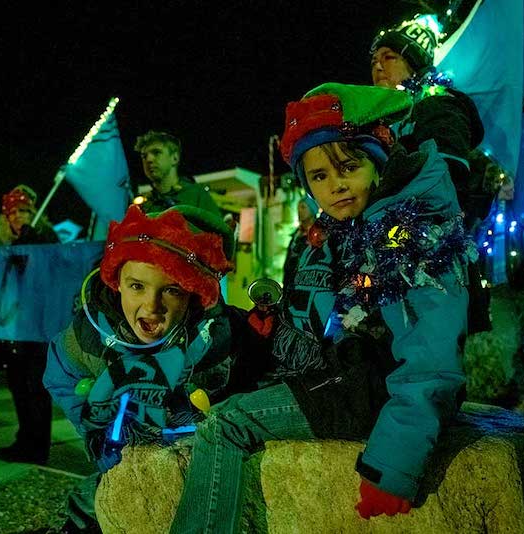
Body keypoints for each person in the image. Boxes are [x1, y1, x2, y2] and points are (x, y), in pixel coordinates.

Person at [170, 83, 474, 533]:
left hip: (371, 391)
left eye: (349, 166)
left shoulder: (406, 232)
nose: (336, 185)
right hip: (339, 376)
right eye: (319, 177)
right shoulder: (343, 229)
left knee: (226, 425)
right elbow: (331, 317)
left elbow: (432, 351)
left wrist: (394, 465)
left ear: (379, 160)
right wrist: (271, 329)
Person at [44, 203, 267, 532]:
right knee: (93, 504)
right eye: (137, 286)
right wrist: (96, 434)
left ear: (193, 294)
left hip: (194, 462)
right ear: (116, 280)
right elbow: (63, 378)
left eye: (171, 290)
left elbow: (258, 383)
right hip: (124, 455)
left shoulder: (226, 336)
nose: (151, 307)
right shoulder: (86, 336)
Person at [369, 14, 492, 334]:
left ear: (414, 65)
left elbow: (445, 182)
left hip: (431, 258)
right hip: (387, 253)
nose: (378, 66)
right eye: (374, 61)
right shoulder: (381, 123)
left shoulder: (437, 105)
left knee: (436, 347)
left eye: (389, 57)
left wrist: (397, 236)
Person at [0, 185, 58, 465]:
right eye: (14, 211)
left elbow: (51, 273)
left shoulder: (47, 237)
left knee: (36, 386)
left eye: (25, 210)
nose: (20, 216)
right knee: (16, 384)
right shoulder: (0, 244)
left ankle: (38, 447)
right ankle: (24, 438)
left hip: (37, 326)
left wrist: (32, 241)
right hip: (9, 326)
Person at [133, 131, 221, 216]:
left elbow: (216, 229)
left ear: (175, 158)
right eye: (144, 156)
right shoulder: (144, 206)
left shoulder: (196, 195)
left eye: (156, 152)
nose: (149, 160)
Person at [281, 197, 314, 289]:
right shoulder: (296, 234)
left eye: (303, 207)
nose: (299, 211)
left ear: (312, 210)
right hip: (290, 283)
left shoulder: (317, 235)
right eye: (298, 207)